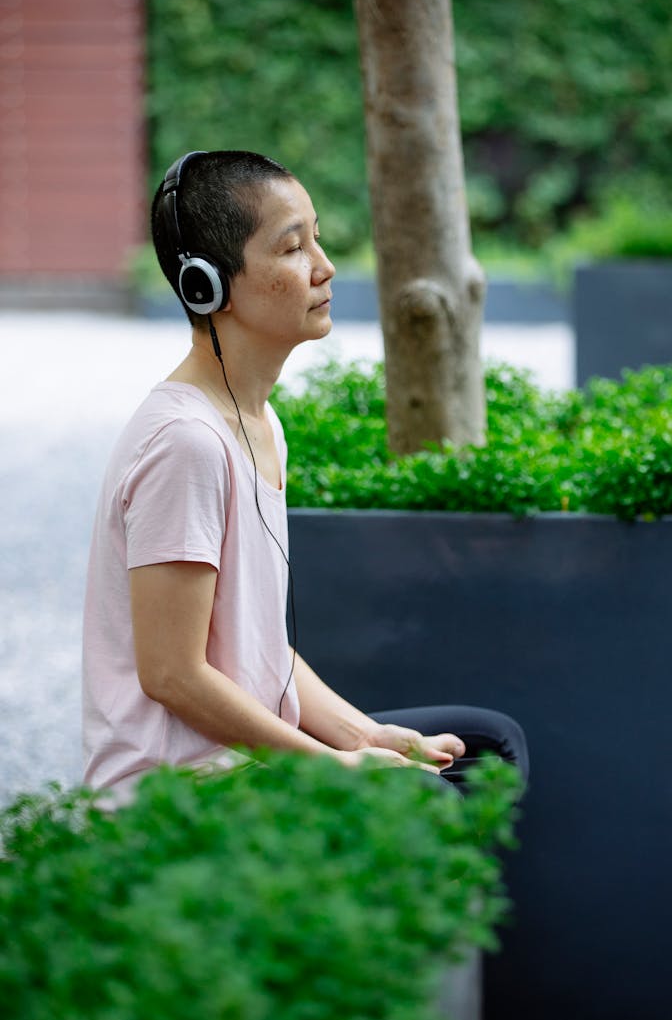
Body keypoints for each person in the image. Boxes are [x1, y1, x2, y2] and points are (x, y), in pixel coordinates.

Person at [82, 149, 527, 805]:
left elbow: (262, 651)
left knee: (488, 744)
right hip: (179, 796)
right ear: (207, 284)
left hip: (249, 762)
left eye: (315, 237)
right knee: (439, 797)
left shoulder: (261, 424)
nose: (324, 266)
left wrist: (365, 736)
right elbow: (172, 673)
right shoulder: (186, 444)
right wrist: (330, 765)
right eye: (292, 248)